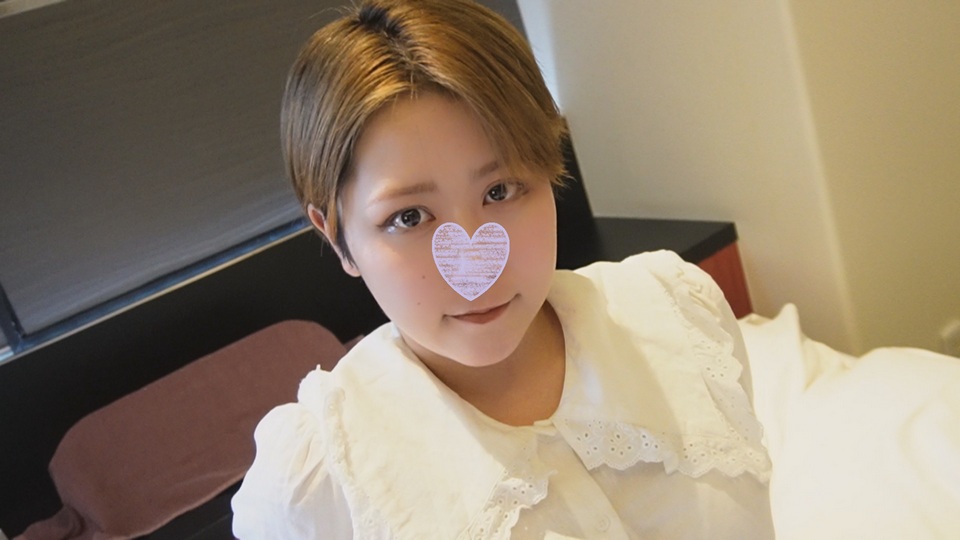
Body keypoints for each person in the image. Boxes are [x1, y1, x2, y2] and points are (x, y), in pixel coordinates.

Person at [232, 0, 774, 537]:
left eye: (501, 190)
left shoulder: (681, 311)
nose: (476, 269)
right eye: (409, 217)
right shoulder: (315, 490)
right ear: (338, 238)